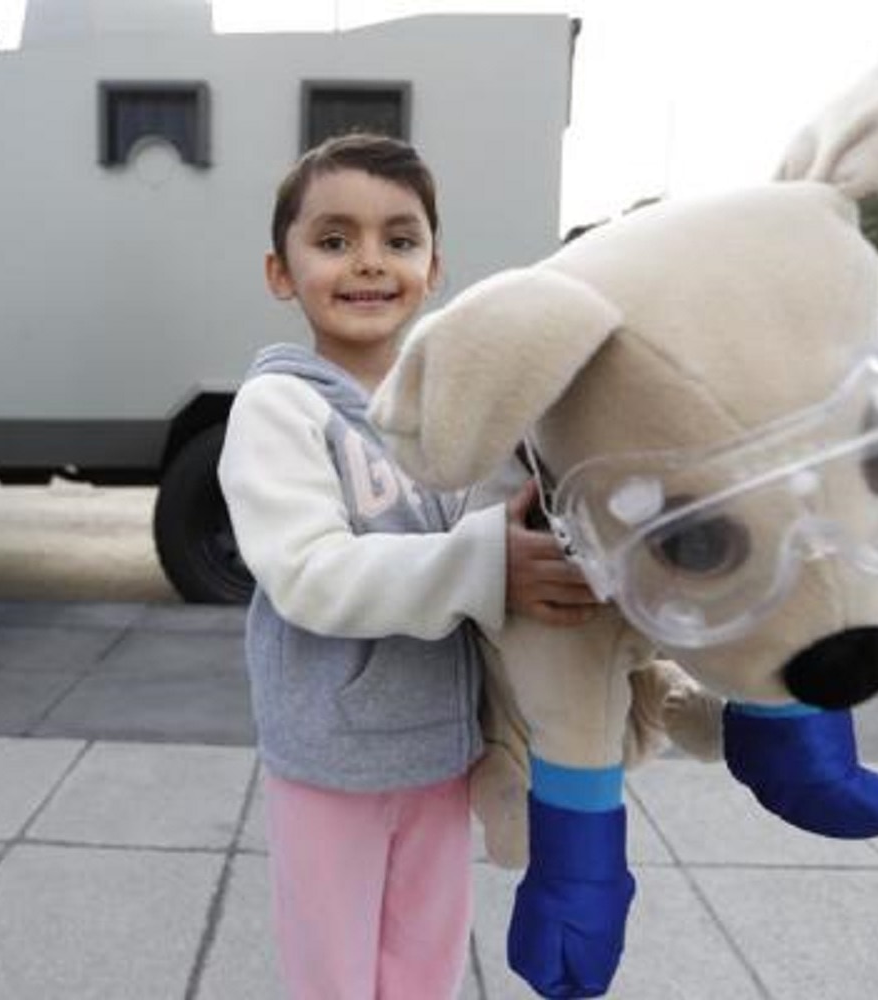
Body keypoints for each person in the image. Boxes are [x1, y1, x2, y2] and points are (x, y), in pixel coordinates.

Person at [218, 133, 597, 999]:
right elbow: (310, 574)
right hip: (328, 757)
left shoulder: (446, 416)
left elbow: (491, 529)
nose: (368, 263)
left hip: (440, 747)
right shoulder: (277, 407)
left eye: (399, 239)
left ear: (434, 269)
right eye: (332, 239)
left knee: (426, 963)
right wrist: (485, 564)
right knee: (333, 973)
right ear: (281, 272)